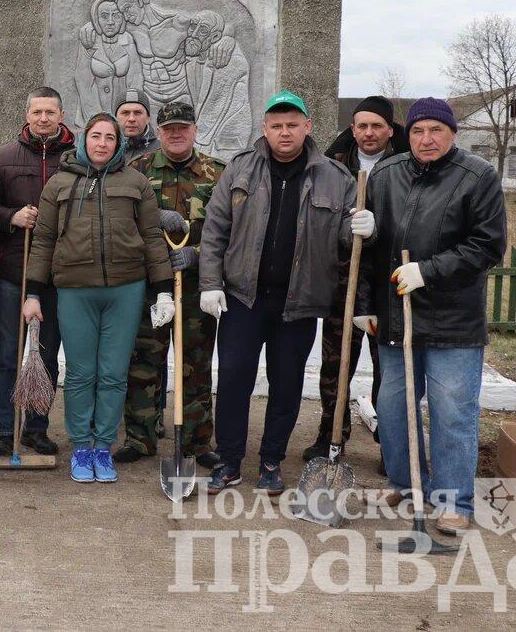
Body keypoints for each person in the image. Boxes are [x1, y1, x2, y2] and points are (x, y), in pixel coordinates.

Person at [198, 90, 374, 494]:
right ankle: (228, 461)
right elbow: (214, 232)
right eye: (276, 125)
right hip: (244, 299)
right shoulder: (240, 170)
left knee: (287, 384)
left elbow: (349, 240)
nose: (284, 132)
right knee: (233, 381)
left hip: (299, 304)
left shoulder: (336, 177)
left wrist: (365, 227)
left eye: (292, 124)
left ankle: (271, 461)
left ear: (307, 127)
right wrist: (210, 284)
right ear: (265, 129)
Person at [355, 98, 506, 535]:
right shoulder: (385, 174)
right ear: (409, 134)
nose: (427, 140)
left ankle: (454, 500)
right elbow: (371, 253)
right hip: (396, 317)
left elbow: (487, 246)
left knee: (452, 412)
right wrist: (366, 303)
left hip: (454, 320)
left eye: (436, 131)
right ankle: (404, 482)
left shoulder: (477, 177)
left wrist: (428, 271)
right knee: (393, 406)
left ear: (452, 134)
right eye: (419, 131)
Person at [23, 113, 174, 484]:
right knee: (80, 373)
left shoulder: (136, 183)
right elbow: (43, 241)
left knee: (112, 373)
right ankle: (81, 446)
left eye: (110, 137)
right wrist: (32, 293)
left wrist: (163, 289)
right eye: (96, 136)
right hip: (75, 291)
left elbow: (153, 238)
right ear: (83, 141)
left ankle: (103, 446)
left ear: (119, 142)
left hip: (125, 290)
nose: (102, 143)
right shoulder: (59, 183)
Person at [302, 94, 410, 463]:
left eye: (377, 126)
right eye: (362, 126)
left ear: (390, 130)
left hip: (387, 283)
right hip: (342, 279)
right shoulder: (334, 165)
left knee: (388, 367)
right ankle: (330, 436)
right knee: (336, 362)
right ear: (352, 128)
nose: (368, 133)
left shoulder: (406, 165)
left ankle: (389, 444)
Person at [119, 101, 224, 470]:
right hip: (149, 284)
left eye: (183, 127)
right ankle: (140, 438)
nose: (176, 134)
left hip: (197, 285)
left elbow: (227, 228)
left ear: (195, 129)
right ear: (159, 132)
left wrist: (195, 252)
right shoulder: (136, 171)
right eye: (168, 129)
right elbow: (121, 222)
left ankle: (197, 441)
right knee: (144, 360)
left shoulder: (217, 172)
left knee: (195, 362)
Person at [0, 86, 76, 457]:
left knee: (47, 354)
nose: (43, 119)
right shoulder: (2, 158)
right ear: (27, 114)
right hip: (13, 271)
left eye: (50, 112)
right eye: (37, 112)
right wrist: (11, 217)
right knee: (9, 352)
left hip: (58, 274)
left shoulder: (77, 158)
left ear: (61, 115)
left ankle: (36, 426)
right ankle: (6, 428)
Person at [116, 89, 159, 165]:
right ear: (116, 117)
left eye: (138, 113)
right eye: (125, 113)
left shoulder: (161, 150)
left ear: (148, 118)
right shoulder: (106, 149)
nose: (131, 119)